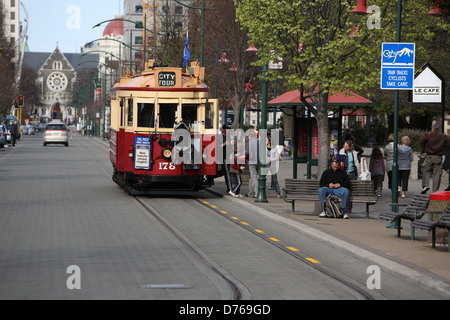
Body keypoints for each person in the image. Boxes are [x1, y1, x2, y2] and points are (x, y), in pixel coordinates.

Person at [419, 124, 449, 194]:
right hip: (438, 156)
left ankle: (426, 185)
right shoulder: (443, 136)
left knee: (426, 170)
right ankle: (435, 190)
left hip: (429, 156)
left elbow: (421, 141)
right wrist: (444, 149)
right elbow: (448, 142)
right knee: (437, 174)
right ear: (438, 129)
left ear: (432, 129)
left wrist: (424, 149)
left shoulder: (427, 135)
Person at [245, 128, 259, 198]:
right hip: (259, 161)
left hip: (252, 161)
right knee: (252, 177)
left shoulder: (250, 142)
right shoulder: (259, 141)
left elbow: (247, 152)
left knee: (254, 177)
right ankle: (251, 192)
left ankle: (256, 193)